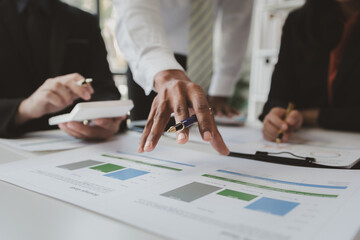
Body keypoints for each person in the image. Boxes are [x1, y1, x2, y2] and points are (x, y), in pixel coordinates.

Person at [114, 0, 253, 155]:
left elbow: (237, 19)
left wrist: (221, 88)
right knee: (150, 140)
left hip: (204, 61)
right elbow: (136, 9)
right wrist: (164, 73)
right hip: (151, 60)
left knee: (198, 138)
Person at [0, 0, 125, 139]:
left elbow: (104, 88)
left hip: (77, 142)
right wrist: (24, 109)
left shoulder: (84, 21)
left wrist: (105, 118)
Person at [260, 0, 360, 142]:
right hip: (307, 147)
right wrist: (277, 118)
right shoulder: (299, 22)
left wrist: (309, 116)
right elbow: (277, 100)